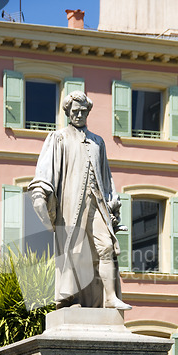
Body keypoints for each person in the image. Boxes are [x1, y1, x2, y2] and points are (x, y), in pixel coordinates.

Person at [28, 91, 131, 310]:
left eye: (84, 111)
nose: (79, 114)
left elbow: (106, 177)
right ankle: (68, 299)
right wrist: (39, 195)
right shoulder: (58, 138)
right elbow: (45, 172)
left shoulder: (98, 142)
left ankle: (110, 297)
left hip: (97, 205)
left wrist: (113, 203)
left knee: (106, 247)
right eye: (75, 111)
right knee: (74, 250)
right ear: (67, 112)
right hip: (70, 206)